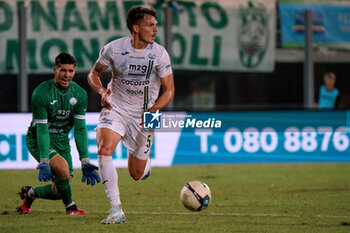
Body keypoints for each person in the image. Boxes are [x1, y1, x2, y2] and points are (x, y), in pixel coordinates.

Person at [87, 6, 174, 224]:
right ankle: (116, 210)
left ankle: (144, 162)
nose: (156, 29)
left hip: (147, 113)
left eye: (156, 25)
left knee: (136, 174)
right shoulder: (114, 49)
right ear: (136, 28)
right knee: (104, 149)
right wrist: (101, 91)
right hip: (116, 108)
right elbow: (94, 73)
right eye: (150, 25)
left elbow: (169, 90)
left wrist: (153, 111)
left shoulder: (160, 54)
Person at [17, 53, 101, 215]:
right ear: (55, 70)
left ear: (75, 71)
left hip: (62, 140)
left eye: (70, 71)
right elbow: (42, 129)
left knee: (59, 190)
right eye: (63, 70)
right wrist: (44, 161)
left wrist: (85, 161)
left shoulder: (80, 95)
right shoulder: (41, 93)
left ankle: (30, 193)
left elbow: (81, 129)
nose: (67, 75)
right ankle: (71, 207)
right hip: (39, 139)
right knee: (63, 170)